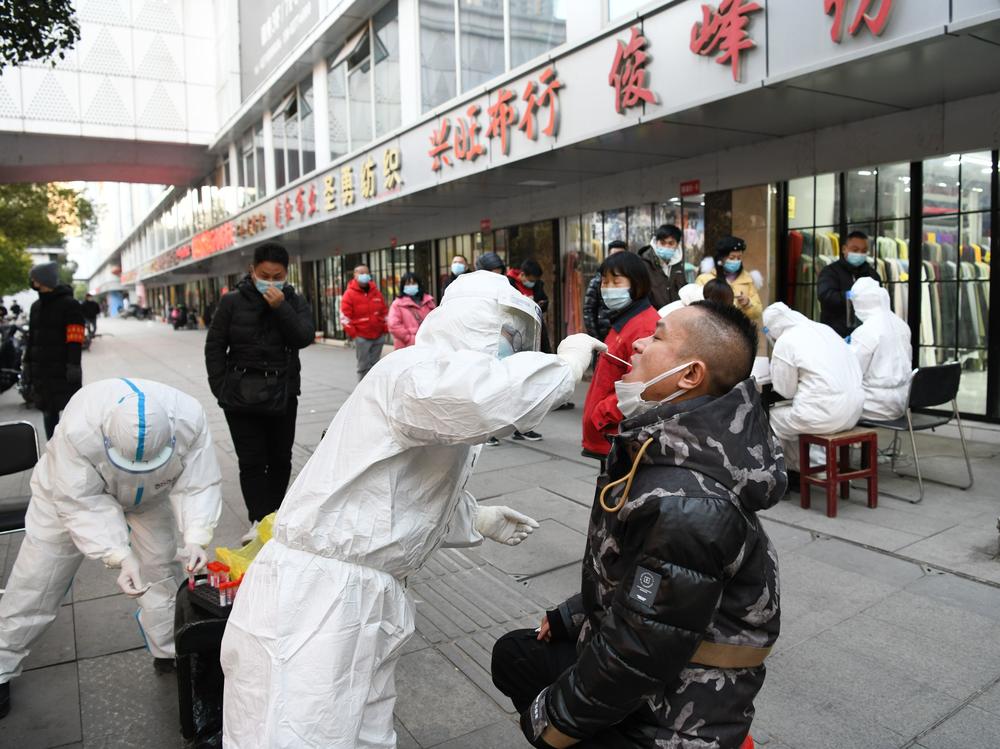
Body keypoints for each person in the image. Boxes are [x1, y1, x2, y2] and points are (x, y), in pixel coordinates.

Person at [220, 271, 607, 749]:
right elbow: (493, 398)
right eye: (504, 334)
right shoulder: (412, 374)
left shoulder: (434, 384)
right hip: (317, 597)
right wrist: (567, 366)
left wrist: (473, 518)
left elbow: (399, 492)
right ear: (470, 322)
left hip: (363, 592)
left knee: (362, 731)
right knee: (300, 732)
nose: (509, 348)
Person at [492, 301, 785, 749]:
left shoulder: (687, 501)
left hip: (680, 711)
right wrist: (568, 616)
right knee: (515, 654)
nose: (640, 344)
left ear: (689, 375)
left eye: (659, 337)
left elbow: (640, 652)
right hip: (661, 651)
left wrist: (552, 723)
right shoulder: (668, 443)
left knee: (546, 711)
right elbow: (645, 580)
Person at [0, 378, 223, 719]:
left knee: (160, 570)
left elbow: (198, 482)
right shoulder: (77, 429)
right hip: (64, 497)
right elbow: (81, 502)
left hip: (150, 496)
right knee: (37, 580)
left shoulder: (189, 417)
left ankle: (169, 651)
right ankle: (2, 662)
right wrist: (118, 554)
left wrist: (196, 535)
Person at [205, 243, 313, 542]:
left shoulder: (293, 300)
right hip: (240, 397)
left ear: (286, 274)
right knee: (251, 461)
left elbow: (303, 336)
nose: (270, 280)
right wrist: (221, 388)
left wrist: (281, 307)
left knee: (280, 458)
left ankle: (274, 516)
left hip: (283, 394)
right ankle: (258, 519)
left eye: (277, 275)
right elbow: (215, 346)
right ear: (252, 271)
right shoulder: (232, 303)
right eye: (264, 274)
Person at [763, 302, 864, 474]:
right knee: (797, 415)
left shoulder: (785, 341)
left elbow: (785, 391)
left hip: (824, 414)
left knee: (771, 418)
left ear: (772, 328)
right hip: (854, 410)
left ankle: (780, 473)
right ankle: (806, 467)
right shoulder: (825, 329)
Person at [582, 251, 659, 461]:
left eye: (616, 282)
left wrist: (600, 415)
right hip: (606, 435)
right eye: (604, 282)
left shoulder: (644, 326)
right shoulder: (623, 320)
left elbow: (641, 385)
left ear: (636, 283)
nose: (608, 289)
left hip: (617, 435)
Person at [23, 262, 85, 438]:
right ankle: (53, 449)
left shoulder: (69, 304)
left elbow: (76, 336)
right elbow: (31, 339)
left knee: (69, 412)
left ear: (43, 280)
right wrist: (27, 363)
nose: (32, 281)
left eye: (34, 277)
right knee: (47, 412)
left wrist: (73, 365)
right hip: (41, 371)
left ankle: (72, 448)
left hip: (62, 369)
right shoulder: (35, 307)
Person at [848, 277, 913, 420]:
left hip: (874, 405)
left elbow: (853, 371)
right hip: (902, 402)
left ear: (860, 303)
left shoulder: (866, 331)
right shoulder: (902, 325)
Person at [508, 258, 552, 441]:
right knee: (511, 386)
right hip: (512, 339)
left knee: (530, 386)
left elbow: (545, 302)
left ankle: (524, 427)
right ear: (522, 274)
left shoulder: (537, 285)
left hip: (534, 337)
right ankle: (495, 430)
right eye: (530, 279)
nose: (532, 282)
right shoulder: (508, 283)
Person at [817, 230, 881, 338]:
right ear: (844, 249)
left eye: (864, 251)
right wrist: (852, 295)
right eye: (855, 250)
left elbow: (880, 301)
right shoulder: (830, 272)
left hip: (866, 335)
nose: (860, 254)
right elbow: (825, 296)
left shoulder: (872, 275)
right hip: (835, 334)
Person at [697, 236, 763, 324]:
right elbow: (698, 307)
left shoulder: (748, 279)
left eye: (739, 258)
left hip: (739, 328)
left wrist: (747, 303)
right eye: (732, 258)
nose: (736, 261)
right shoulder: (705, 279)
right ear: (721, 259)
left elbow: (757, 312)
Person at [341, 264, 389, 381]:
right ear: (355, 275)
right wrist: (355, 335)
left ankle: (374, 391)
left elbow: (384, 311)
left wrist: (385, 329)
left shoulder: (376, 292)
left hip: (378, 336)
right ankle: (362, 394)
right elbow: (344, 317)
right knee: (363, 367)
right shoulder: (349, 294)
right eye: (361, 273)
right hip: (362, 337)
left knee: (376, 366)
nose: (364, 275)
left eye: (366, 273)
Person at [583, 240, 628, 342]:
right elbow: (589, 311)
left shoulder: (631, 281)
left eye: (620, 255)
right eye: (613, 255)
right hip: (604, 335)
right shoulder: (597, 280)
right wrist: (596, 339)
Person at [637, 224, 686, 310]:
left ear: (677, 244)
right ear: (656, 242)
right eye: (662, 243)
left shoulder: (678, 264)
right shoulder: (644, 263)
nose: (666, 246)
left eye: (671, 243)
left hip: (675, 315)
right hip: (652, 316)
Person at [386, 272, 436, 349]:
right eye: (408, 284)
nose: (411, 286)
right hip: (406, 346)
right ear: (403, 286)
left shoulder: (429, 301)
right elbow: (393, 325)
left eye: (413, 283)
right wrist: (409, 339)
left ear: (419, 284)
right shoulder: (397, 304)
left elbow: (435, 319)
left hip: (428, 344)